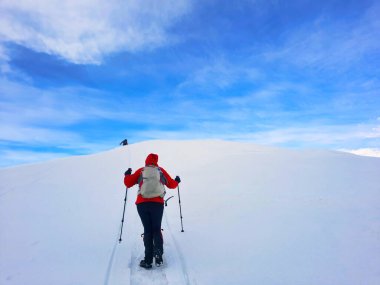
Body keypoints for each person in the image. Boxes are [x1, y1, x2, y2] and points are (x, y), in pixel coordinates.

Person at [124, 153, 181, 269]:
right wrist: (177, 181)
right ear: (156, 161)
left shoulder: (141, 170)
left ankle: (148, 260)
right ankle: (159, 256)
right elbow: (171, 184)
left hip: (142, 204)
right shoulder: (160, 171)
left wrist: (127, 175)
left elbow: (128, 183)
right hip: (157, 204)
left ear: (146, 161)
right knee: (156, 228)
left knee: (147, 230)